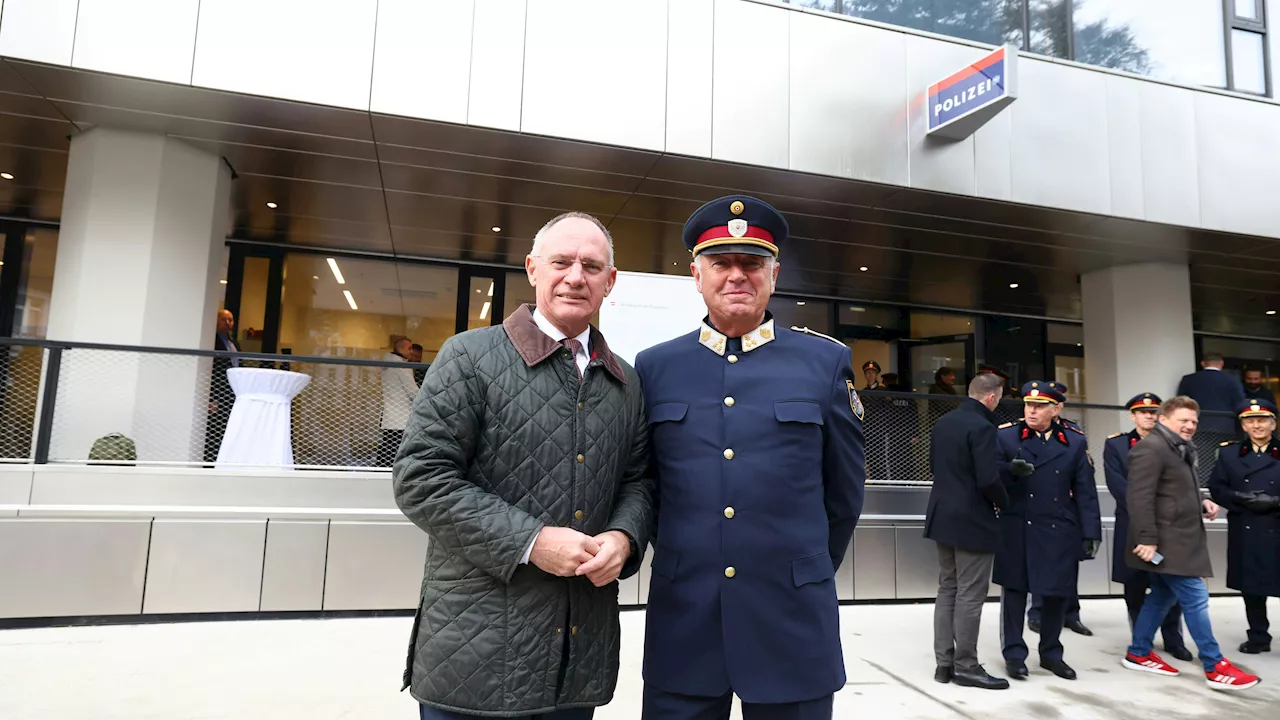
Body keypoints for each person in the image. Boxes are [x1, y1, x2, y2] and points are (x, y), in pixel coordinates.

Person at [393, 211, 654, 718]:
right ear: (533, 269)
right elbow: (421, 480)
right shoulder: (469, 357)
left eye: (592, 266)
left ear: (610, 282)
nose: (575, 277)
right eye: (561, 262)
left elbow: (638, 481)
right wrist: (532, 542)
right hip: (474, 652)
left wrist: (625, 538)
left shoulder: (626, 383)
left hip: (577, 656)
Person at [635, 195, 865, 720]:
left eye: (752, 263)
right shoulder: (655, 367)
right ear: (697, 275)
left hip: (791, 620)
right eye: (721, 263)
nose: (737, 275)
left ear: (774, 274)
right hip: (685, 620)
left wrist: (800, 569)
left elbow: (844, 492)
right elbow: (645, 483)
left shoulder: (825, 363)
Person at [1121, 396, 1259, 691]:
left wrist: (1202, 501)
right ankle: (1214, 664)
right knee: (1195, 597)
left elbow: (1174, 489)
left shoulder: (1178, 447)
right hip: (1166, 541)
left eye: (1194, 421)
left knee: (1160, 596)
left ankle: (1138, 651)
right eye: (1183, 420)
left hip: (1179, 537)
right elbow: (1139, 498)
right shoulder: (1151, 448)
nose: (1190, 426)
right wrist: (1147, 539)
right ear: (1163, 419)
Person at [994, 381, 1101, 682]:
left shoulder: (1075, 441)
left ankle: (1051, 654)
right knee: (1014, 594)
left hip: (1058, 528)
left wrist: (1091, 531)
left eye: (1040, 406)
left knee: (1055, 594)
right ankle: (1014, 655)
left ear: (1056, 409)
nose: (1032, 410)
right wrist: (1008, 472)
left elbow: (1085, 490)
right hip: (1018, 526)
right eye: (1029, 404)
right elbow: (988, 477)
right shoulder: (1006, 436)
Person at [925, 372, 1010, 690]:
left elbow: (935, 465)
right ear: (991, 397)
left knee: (947, 588)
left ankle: (944, 664)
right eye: (999, 397)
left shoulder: (945, 422)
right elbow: (987, 479)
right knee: (971, 594)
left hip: (942, 514)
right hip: (973, 518)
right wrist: (1005, 502)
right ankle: (967, 666)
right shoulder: (983, 427)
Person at [1104, 393, 1191, 661]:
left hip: (1166, 525)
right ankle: (1142, 639)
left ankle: (1173, 639)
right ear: (1133, 416)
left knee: (1169, 581)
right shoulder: (1117, 445)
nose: (1149, 416)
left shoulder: (1174, 444)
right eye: (1143, 412)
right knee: (1134, 585)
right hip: (1131, 524)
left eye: (1154, 412)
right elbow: (1118, 486)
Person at [1207, 399, 1280, 655]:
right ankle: (1258, 637)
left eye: (1262, 420)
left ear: (1273, 423)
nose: (1257, 425)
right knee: (1252, 589)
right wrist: (1241, 498)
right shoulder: (1229, 453)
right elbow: (1216, 487)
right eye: (1250, 421)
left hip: (1277, 526)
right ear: (1243, 425)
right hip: (1246, 527)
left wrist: (1274, 501)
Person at [1028, 380, 1091, 637]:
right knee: (1040, 564)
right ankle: (1038, 612)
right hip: (1039, 509)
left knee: (1068, 564)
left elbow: (1085, 470)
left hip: (1067, 508)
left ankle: (1071, 613)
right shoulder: (1028, 429)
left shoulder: (1073, 433)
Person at [1177, 353, 1246, 437]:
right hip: (1226, 428)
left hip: (1197, 426)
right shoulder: (1232, 380)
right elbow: (1240, 404)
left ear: (1203, 363)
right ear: (1221, 363)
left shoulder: (1188, 379)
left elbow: (1180, 403)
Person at [204, 309, 240, 463]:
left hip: (232, 393)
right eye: (224, 320)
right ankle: (211, 460)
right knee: (215, 429)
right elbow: (211, 370)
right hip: (217, 394)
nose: (228, 323)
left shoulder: (233, 342)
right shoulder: (211, 341)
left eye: (231, 320)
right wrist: (211, 397)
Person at [379, 337, 419, 467]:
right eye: (409, 348)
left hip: (389, 416)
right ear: (400, 349)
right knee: (397, 448)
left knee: (387, 445)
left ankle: (380, 470)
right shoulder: (402, 365)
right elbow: (412, 390)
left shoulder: (387, 364)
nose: (412, 351)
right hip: (401, 417)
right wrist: (426, 401)